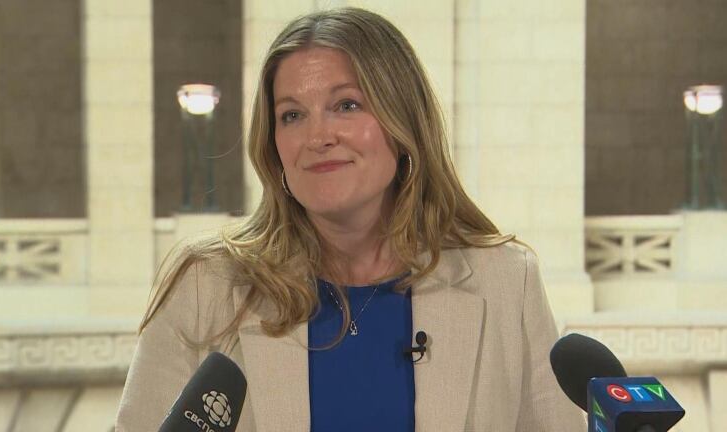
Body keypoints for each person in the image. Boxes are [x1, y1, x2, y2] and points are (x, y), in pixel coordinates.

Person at [115, 7, 585, 432]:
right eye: (293, 114)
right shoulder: (206, 286)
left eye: (347, 105)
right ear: (273, 145)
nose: (318, 136)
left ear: (403, 123)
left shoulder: (505, 280)